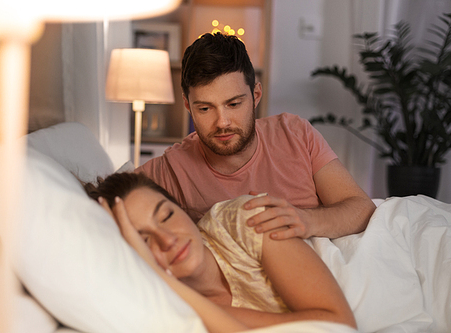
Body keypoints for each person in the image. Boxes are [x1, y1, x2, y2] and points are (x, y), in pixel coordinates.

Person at [136, 32, 375, 240]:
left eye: (234, 104)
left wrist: (305, 220)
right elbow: (105, 202)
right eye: (205, 109)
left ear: (256, 95)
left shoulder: (295, 134)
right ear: (188, 107)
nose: (222, 122)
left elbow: (361, 209)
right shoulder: (171, 169)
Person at [84, 172, 357, 331]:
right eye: (143, 241)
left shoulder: (247, 220)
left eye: (166, 215)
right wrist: (162, 281)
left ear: (180, 207)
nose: (167, 240)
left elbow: (340, 327)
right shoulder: (165, 311)